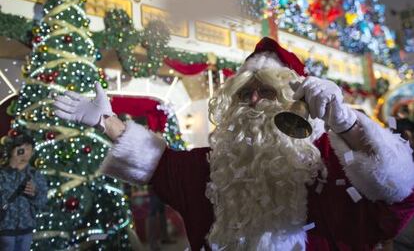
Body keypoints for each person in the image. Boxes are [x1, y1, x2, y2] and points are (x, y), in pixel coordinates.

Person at [54, 37, 414, 250]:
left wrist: (348, 123)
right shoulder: (215, 166)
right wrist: (107, 121)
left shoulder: (328, 163)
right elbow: (161, 165)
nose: (255, 100)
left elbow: (397, 197)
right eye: (246, 93)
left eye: (267, 91)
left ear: (294, 98)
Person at [0, 132, 48, 251]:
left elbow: (43, 202)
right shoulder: (2, 175)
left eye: (28, 148)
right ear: (12, 149)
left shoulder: (35, 175)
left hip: (26, 229)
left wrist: (34, 194)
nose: (24, 151)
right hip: (5, 229)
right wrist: (12, 164)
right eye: (20, 147)